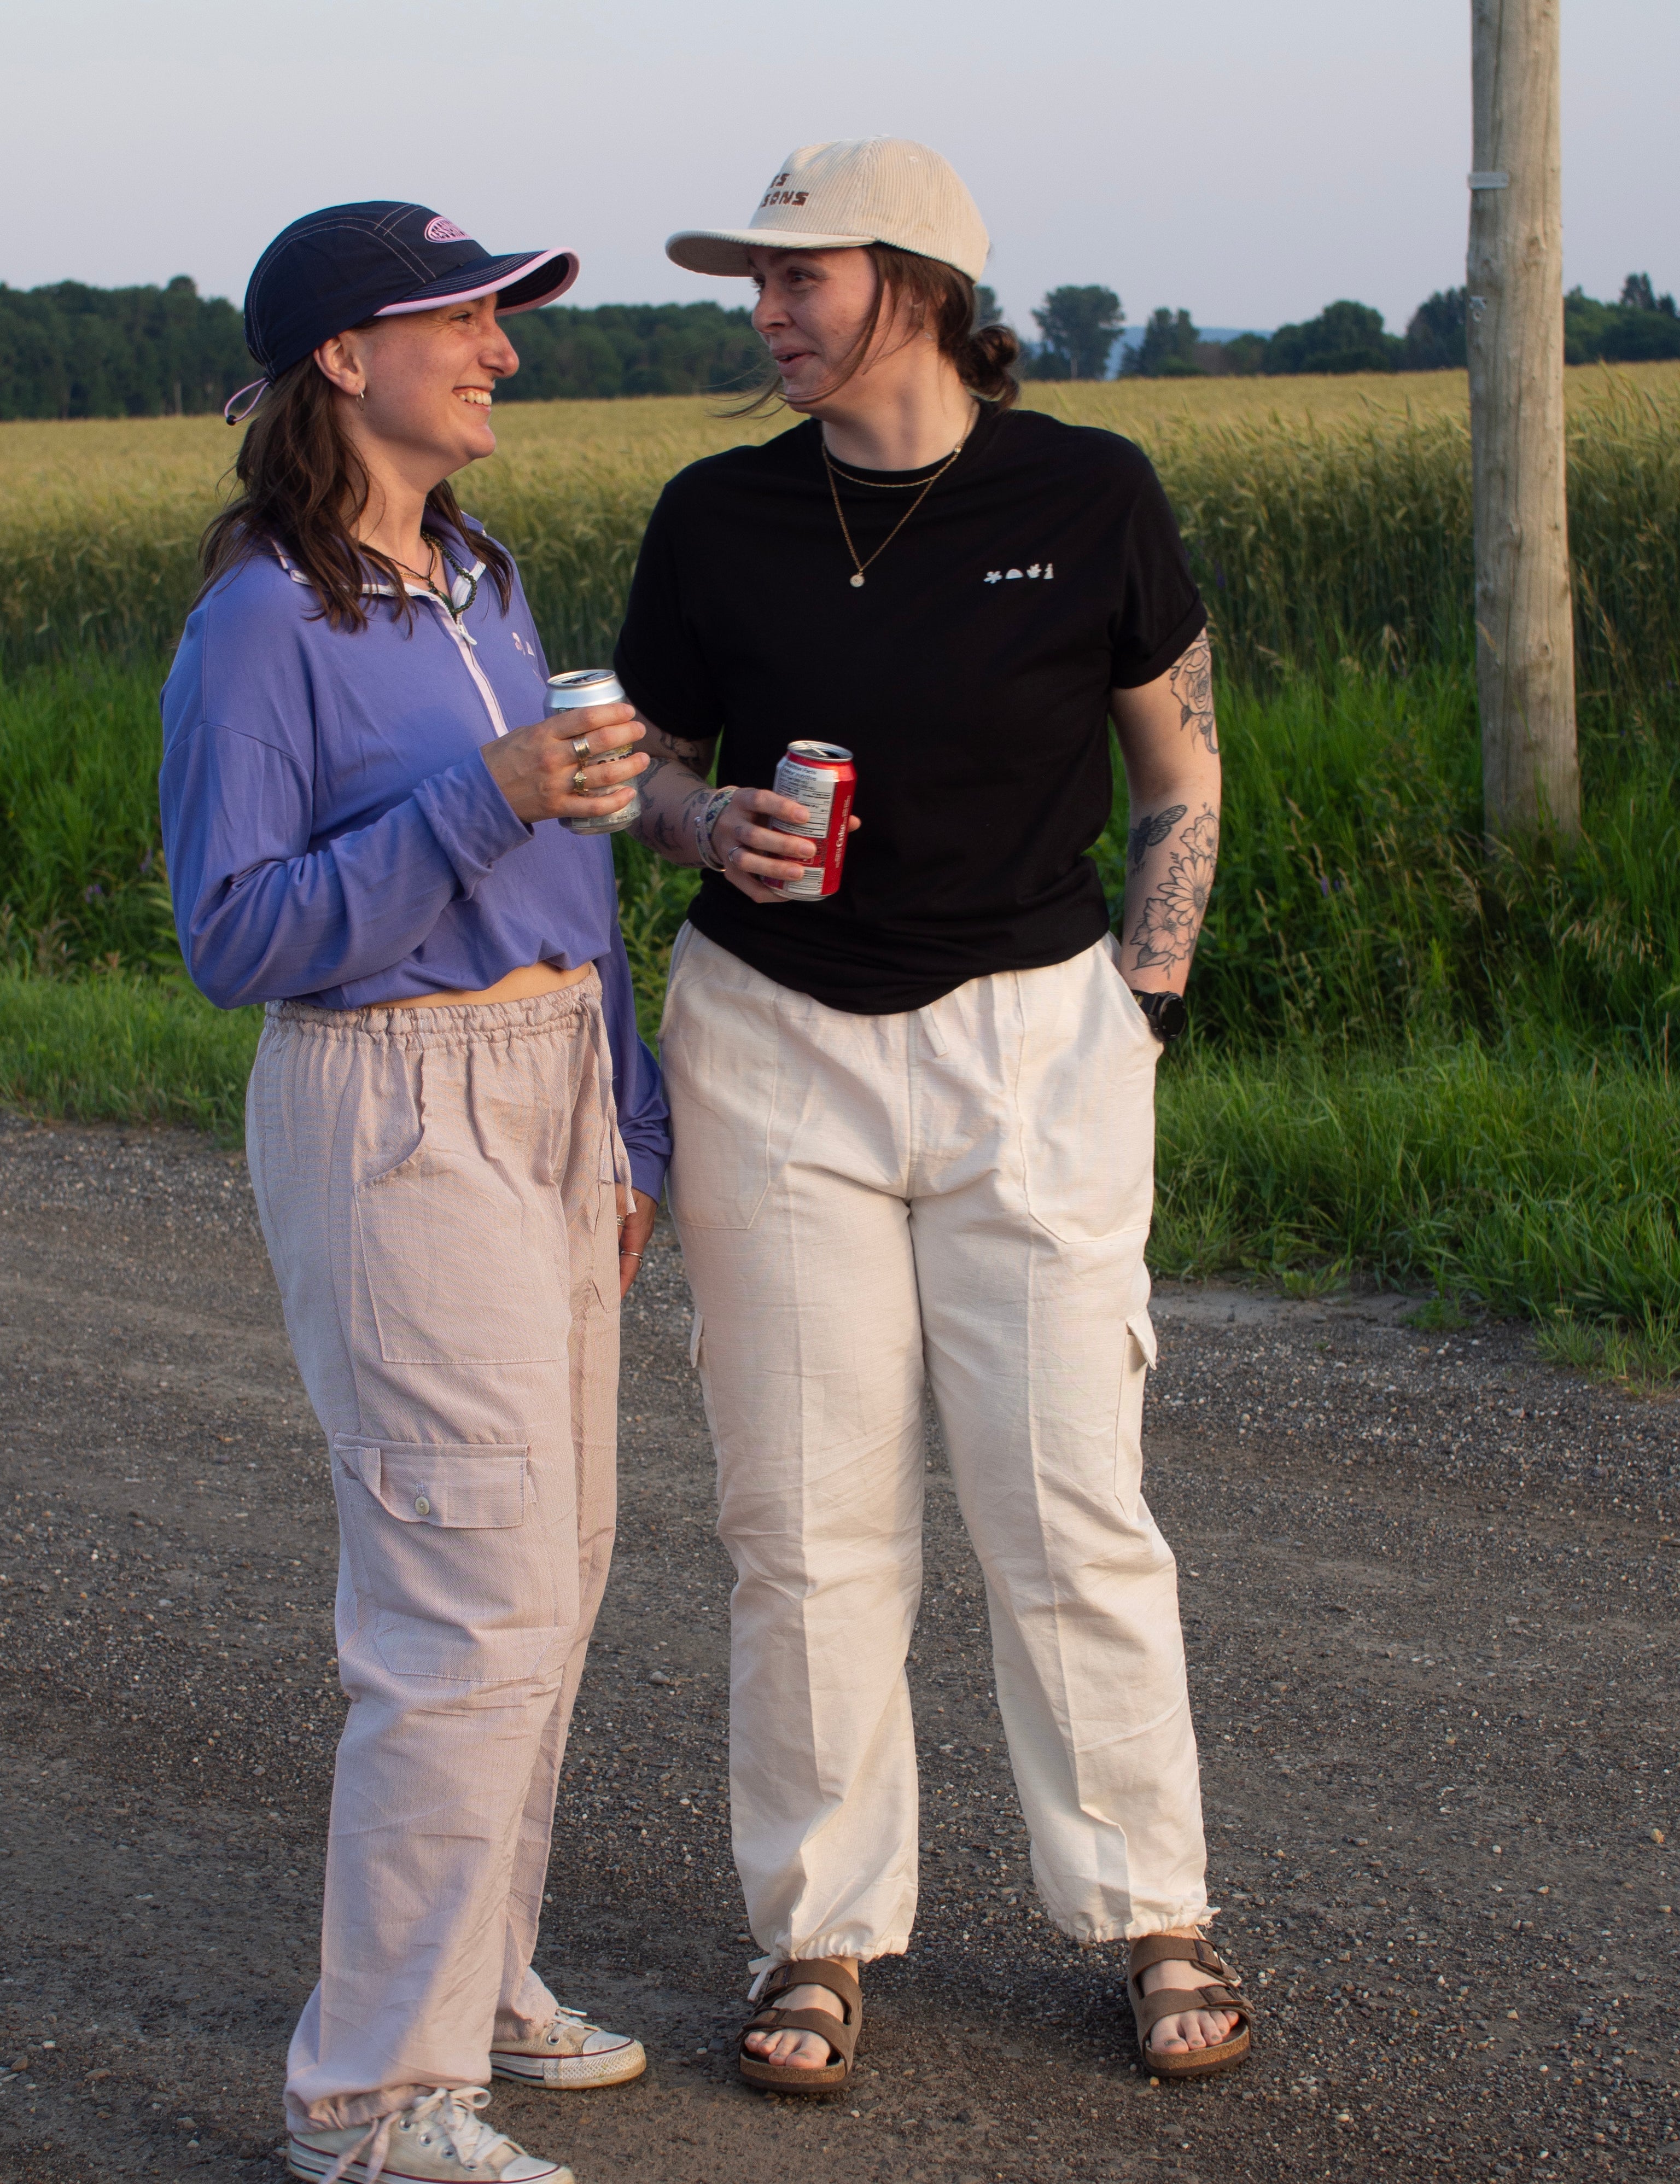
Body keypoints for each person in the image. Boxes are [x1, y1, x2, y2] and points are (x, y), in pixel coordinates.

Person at [615, 139, 1253, 2089]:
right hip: (771, 1042)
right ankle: (816, 1934)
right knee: (802, 1521)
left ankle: (1152, 1912)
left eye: (802, 276)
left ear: (923, 280)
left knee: (1067, 1500)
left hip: (1035, 1044)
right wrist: (700, 819)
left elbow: (1181, 771)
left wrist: (1144, 996)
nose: (767, 311)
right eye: (758, 281)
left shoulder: (1091, 493)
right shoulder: (718, 515)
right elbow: (647, 752)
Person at [160, 202, 669, 2184]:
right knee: (467, 1596)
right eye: (463, 319)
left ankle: (487, 1986)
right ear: (343, 362)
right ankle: (372, 2098)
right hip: (393, 1107)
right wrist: (492, 794)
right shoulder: (260, 624)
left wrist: (624, 1116)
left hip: (551, 1098)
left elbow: (571, 875)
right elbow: (235, 931)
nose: (502, 351)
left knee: (563, 1570)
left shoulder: (480, 579)